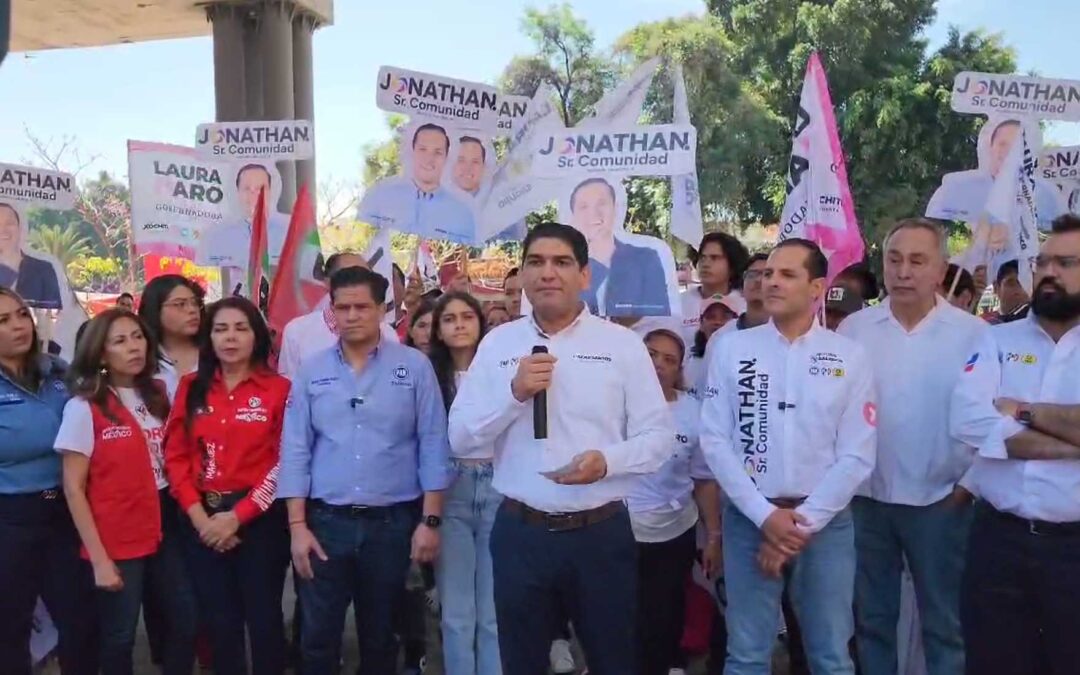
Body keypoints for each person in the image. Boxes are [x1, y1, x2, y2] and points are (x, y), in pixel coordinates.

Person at [448, 222, 673, 674]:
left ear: (585, 276)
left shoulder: (621, 346)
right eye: (535, 262)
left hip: (600, 535)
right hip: (520, 533)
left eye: (561, 262)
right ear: (525, 275)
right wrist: (512, 393)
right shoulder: (497, 345)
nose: (547, 273)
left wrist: (606, 463)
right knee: (522, 661)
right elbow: (461, 438)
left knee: (613, 660)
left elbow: (659, 438)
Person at [700, 238, 877, 675]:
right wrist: (765, 517)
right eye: (766, 273)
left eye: (786, 274)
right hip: (748, 520)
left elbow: (857, 454)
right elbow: (715, 440)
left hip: (825, 525)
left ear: (817, 288)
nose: (770, 282)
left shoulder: (848, 356)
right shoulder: (732, 349)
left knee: (831, 656)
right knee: (746, 654)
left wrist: (800, 526)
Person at [277, 266, 451, 675]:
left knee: (380, 638)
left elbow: (433, 444)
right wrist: (297, 527)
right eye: (342, 308)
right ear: (331, 311)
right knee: (317, 639)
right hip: (325, 524)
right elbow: (296, 449)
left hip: (392, 526)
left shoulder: (414, 367)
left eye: (361, 307)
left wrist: (430, 520)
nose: (351, 316)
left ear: (382, 309)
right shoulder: (312, 370)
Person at [838, 219, 988, 675]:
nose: (903, 271)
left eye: (917, 261)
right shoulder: (854, 330)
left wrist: (967, 488)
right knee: (872, 621)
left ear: (941, 270)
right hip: (867, 502)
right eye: (894, 259)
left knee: (944, 624)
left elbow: (989, 421)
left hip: (941, 502)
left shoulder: (974, 334)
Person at [950, 213, 1080, 674]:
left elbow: (997, 426)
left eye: (1066, 263)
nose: (1048, 272)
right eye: (1043, 261)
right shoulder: (995, 339)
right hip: (998, 541)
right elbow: (969, 420)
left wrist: (1023, 411)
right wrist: (1070, 443)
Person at [55, 309, 197, 675]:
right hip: (117, 532)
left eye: (137, 337)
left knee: (186, 617)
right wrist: (100, 560)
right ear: (100, 354)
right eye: (119, 341)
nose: (134, 347)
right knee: (119, 635)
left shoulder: (158, 394)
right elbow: (73, 488)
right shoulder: (83, 407)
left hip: (166, 520)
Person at [163, 296, 292, 675]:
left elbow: (285, 462)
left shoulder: (279, 389)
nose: (230, 338)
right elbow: (175, 457)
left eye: (240, 328)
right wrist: (203, 521)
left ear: (257, 335)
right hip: (199, 518)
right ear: (209, 336)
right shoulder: (190, 387)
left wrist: (238, 517)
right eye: (220, 329)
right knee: (219, 621)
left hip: (260, 522)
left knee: (265, 618)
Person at [0, 287, 97, 675]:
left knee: (81, 620)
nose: (19, 326)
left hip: (65, 510)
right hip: (10, 518)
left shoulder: (57, 373)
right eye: (3, 321)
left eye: (21, 314)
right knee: (11, 626)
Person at [633, 328, 722, 675]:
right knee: (615, 615)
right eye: (651, 354)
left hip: (673, 533)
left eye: (669, 360)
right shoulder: (609, 402)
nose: (657, 364)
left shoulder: (693, 412)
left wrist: (713, 536)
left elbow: (703, 479)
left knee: (664, 617)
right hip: (616, 529)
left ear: (679, 369)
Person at [426, 292, 502, 675]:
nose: (459, 324)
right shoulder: (428, 377)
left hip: (497, 487)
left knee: (492, 612)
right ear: (438, 329)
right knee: (457, 612)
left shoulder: (500, 371)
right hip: (449, 489)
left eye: (467, 316)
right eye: (449, 318)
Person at [277, 251, 399, 379]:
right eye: (349, 276)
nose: (358, 283)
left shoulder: (387, 333)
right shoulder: (297, 332)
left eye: (365, 276)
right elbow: (290, 390)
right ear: (328, 282)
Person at [926, 118, 1065, 231]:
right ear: (990, 147)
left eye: (1018, 146)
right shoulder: (955, 187)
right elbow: (930, 232)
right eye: (1002, 144)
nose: (1008, 153)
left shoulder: (1047, 194)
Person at [357, 123, 475, 244]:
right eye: (423, 149)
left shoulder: (461, 212)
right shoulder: (379, 194)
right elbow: (361, 237)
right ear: (412, 151)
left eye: (438, 152)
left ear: (446, 157)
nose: (429, 159)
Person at [568, 177, 671, 316]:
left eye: (602, 203)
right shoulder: (565, 267)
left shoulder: (645, 259)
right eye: (584, 207)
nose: (594, 213)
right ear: (574, 217)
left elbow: (658, 316)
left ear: (615, 209)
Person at [197, 164, 290, 270]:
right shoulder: (214, 236)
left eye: (261, 188)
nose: (255, 194)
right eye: (247, 189)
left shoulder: (290, 232)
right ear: (238, 192)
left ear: (271, 192)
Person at [139, 275, 204, 401]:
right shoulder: (142, 358)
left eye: (195, 303)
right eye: (180, 304)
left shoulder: (213, 354)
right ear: (155, 309)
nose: (192, 310)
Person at [680, 232, 750, 344]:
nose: (705, 264)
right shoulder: (679, 303)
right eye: (702, 257)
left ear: (732, 265)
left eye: (714, 258)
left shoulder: (746, 304)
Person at [0, 202, 61, 309]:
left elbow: (52, 315)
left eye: (9, 223)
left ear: (20, 229)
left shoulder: (44, 270)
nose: (3, 230)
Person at [685, 293, 746, 399]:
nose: (717, 322)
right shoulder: (688, 361)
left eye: (725, 317)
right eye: (711, 317)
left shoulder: (746, 362)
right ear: (701, 325)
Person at [987, 259, 1029, 324]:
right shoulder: (987, 326)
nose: (1019, 291)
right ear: (996, 288)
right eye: (1011, 284)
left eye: (1025, 283)